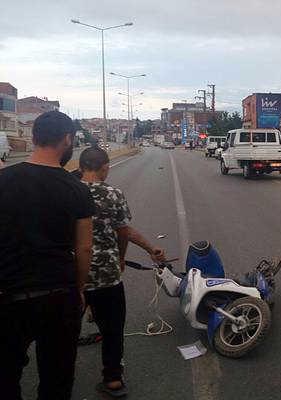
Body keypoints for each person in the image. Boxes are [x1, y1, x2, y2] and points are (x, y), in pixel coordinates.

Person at [0, 110, 94, 400]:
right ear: (67, 139)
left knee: (5, 377)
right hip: (58, 295)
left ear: (34, 137)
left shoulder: (4, 180)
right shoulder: (77, 190)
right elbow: (84, 248)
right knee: (56, 379)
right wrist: (79, 289)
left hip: (7, 295)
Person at [78, 147, 164, 398]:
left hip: (73, 278)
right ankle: (113, 379)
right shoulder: (112, 193)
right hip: (107, 276)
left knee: (63, 331)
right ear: (105, 167)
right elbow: (123, 232)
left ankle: (59, 379)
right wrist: (122, 258)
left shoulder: (67, 192)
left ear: (82, 166)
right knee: (113, 329)